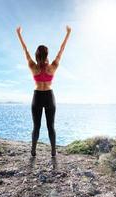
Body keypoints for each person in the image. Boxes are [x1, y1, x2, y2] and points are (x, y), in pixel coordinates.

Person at [16, 25, 71, 157]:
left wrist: (19, 34)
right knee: (50, 126)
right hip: (49, 96)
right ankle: (53, 151)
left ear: (37, 55)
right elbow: (62, 49)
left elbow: (25, 50)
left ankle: (33, 151)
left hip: (37, 96)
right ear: (47, 54)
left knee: (36, 126)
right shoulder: (53, 66)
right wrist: (68, 33)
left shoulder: (32, 66)